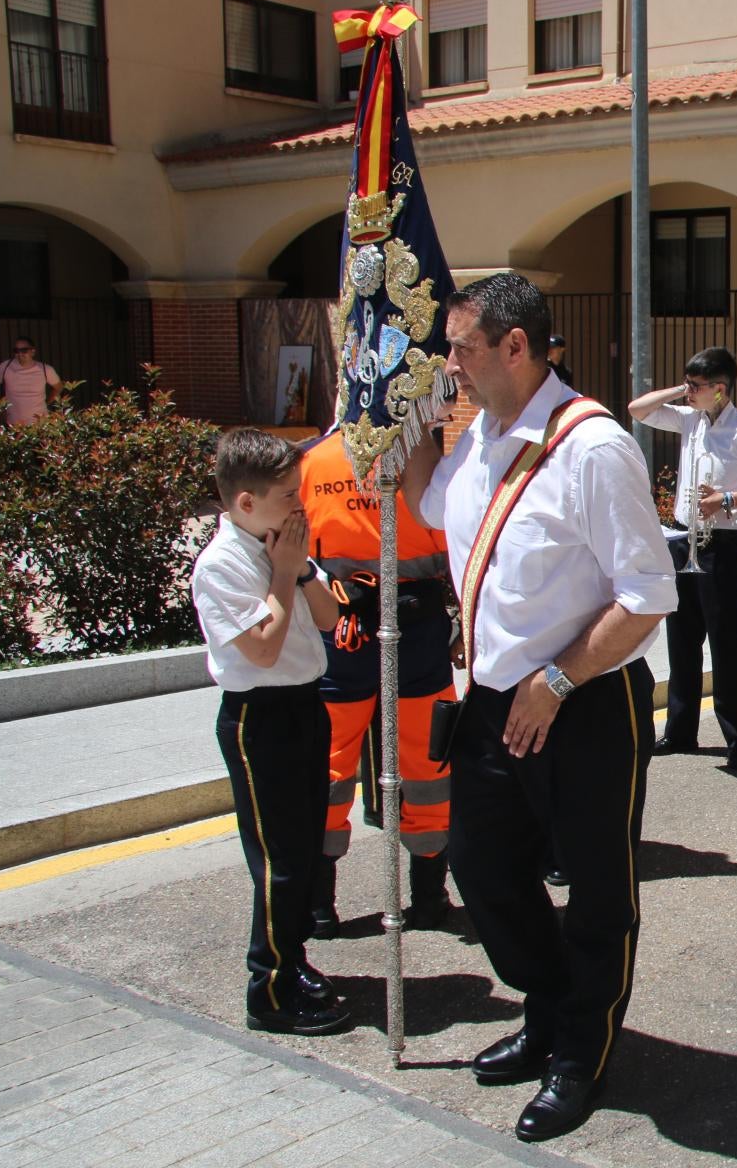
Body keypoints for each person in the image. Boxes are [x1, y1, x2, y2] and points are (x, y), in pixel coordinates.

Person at [401, 273, 676, 1139]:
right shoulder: (478, 435)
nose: (451, 365)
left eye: (461, 348)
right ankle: (548, 1004)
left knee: (598, 889)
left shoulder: (591, 446)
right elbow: (431, 507)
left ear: (514, 347)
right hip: (488, 700)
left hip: (581, 699)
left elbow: (646, 594)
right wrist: (390, 422)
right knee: (483, 870)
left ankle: (579, 1051)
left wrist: (556, 680)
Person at [190, 428, 349, 1036]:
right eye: (288, 495)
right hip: (260, 717)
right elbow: (261, 649)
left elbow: (333, 619)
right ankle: (270, 989)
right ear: (246, 502)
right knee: (277, 860)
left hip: (306, 705)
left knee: (304, 847)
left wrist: (299, 568)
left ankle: (293, 958)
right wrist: (283, 573)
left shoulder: (281, 544)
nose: (299, 506)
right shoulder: (223, 564)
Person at [297, 430, 458, 937]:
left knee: (330, 761)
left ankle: (318, 905)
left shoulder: (311, 460)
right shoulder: (419, 455)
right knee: (428, 759)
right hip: (419, 628)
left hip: (338, 627)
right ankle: (429, 897)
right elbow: (456, 540)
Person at [629, 347, 737, 768]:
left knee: (727, 646)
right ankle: (680, 731)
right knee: (681, 640)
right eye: (689, 386)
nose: (690, 393)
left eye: (698, 387)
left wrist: (728, 498)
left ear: (720, 390)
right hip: (683, 540)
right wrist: (682, 388)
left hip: (722, 544)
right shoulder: (690, 419)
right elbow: (637, 409)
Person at [0, 337, 60, 427]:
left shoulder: (45, 369)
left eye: (24, 350)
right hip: (13, 425)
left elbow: (58, 387)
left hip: (39, 424)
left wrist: (48, 402)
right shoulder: (6, 367)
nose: (19, 353)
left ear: (33, 351)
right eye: (16, 350)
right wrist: (0, 408)